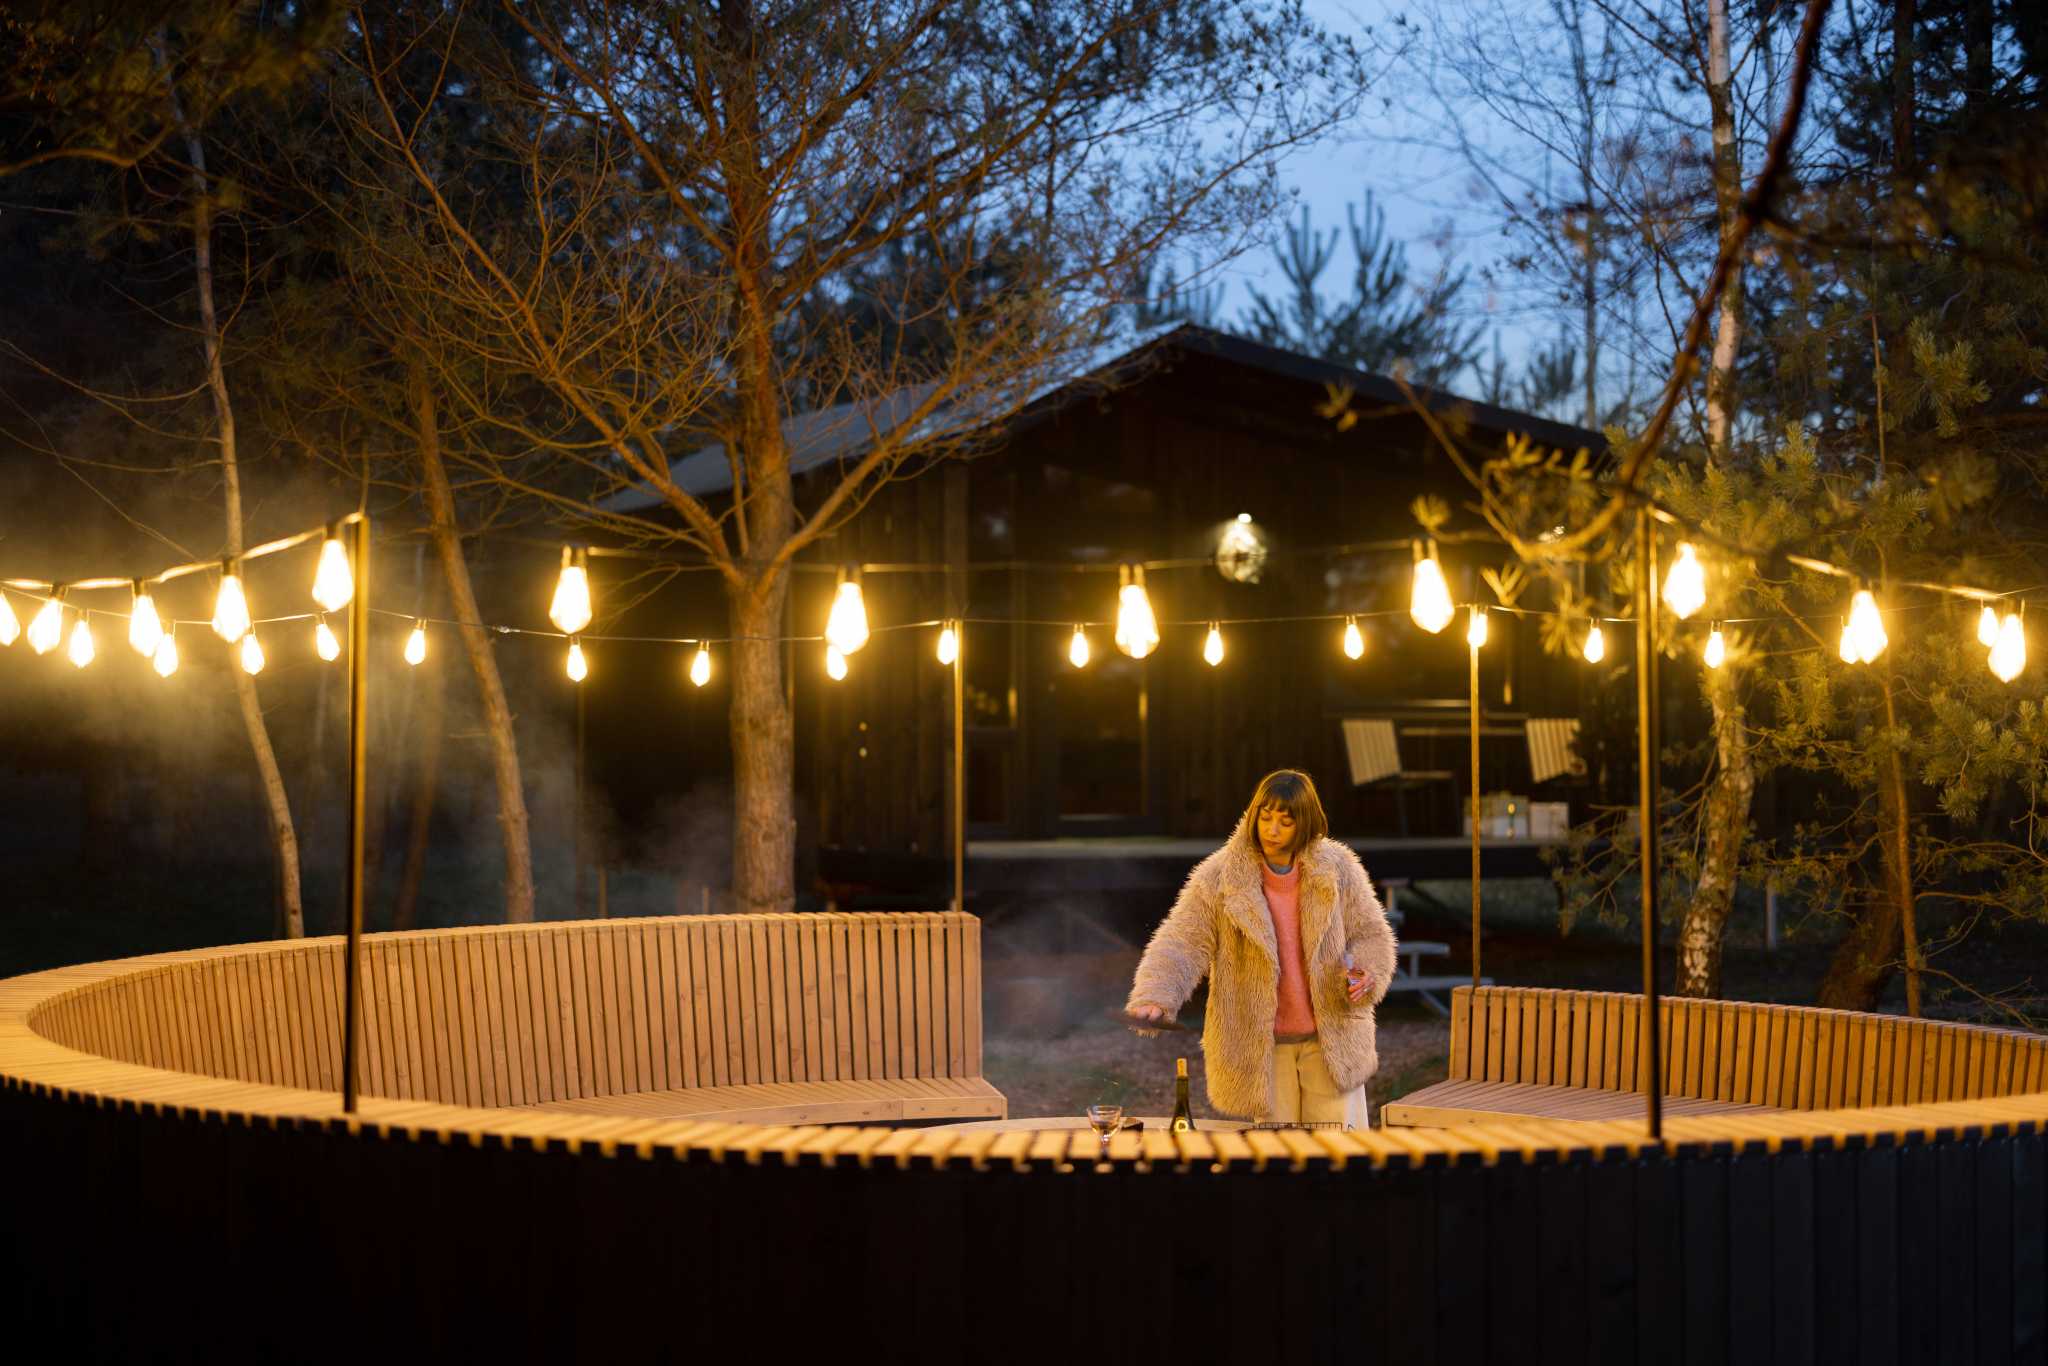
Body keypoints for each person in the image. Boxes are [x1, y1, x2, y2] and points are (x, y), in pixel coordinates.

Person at [1126, 769, 1397, 1128]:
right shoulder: (1221, 876)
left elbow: (1372, 933)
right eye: (1265, 818)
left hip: (1331, 1035)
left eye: (1285, 822)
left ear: (1307, 823)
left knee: (1337, 1153)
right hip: (1265, 1044)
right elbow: (1181, 940)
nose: (1271, 830)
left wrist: (1367, 971)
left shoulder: (1339, 868)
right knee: (1276, 1155)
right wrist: (1155, 996)